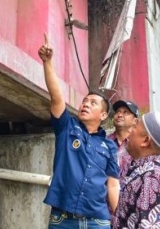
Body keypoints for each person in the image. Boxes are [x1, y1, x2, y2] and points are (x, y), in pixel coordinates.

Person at [38, 34, 120, 228]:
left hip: (97, 221)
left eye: (93, 103)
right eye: (85, 101)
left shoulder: (109, 146)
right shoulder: (67, 127)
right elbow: (56, 97)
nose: (86, 104)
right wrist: (48, 63)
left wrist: (118, 219)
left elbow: (113, 183)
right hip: (63, 219)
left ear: (103, 116)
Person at [114, 111, 160, 229]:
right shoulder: (144, 171)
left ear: (145, 141)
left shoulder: (153, 178)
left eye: (135, 127)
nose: (129, 131)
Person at [107, 100, 139, 180]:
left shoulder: (139, 144)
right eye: (118, 112)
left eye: (125, 112)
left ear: (135, 121)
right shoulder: (104, 141)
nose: (120, 115)